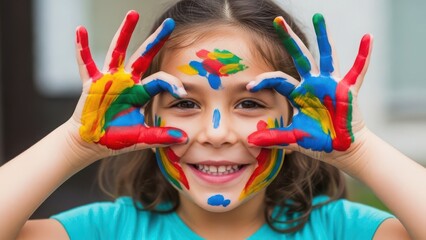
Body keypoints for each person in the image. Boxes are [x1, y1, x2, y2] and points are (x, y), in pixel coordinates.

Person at [1, 0, 425, 239]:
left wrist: (361, 149)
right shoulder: (106, 231)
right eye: (184, 103)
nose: (216, 133)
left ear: (296, 115)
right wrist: (75, 142)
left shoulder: (343, 232)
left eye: (251, 104)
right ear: (145, 115)